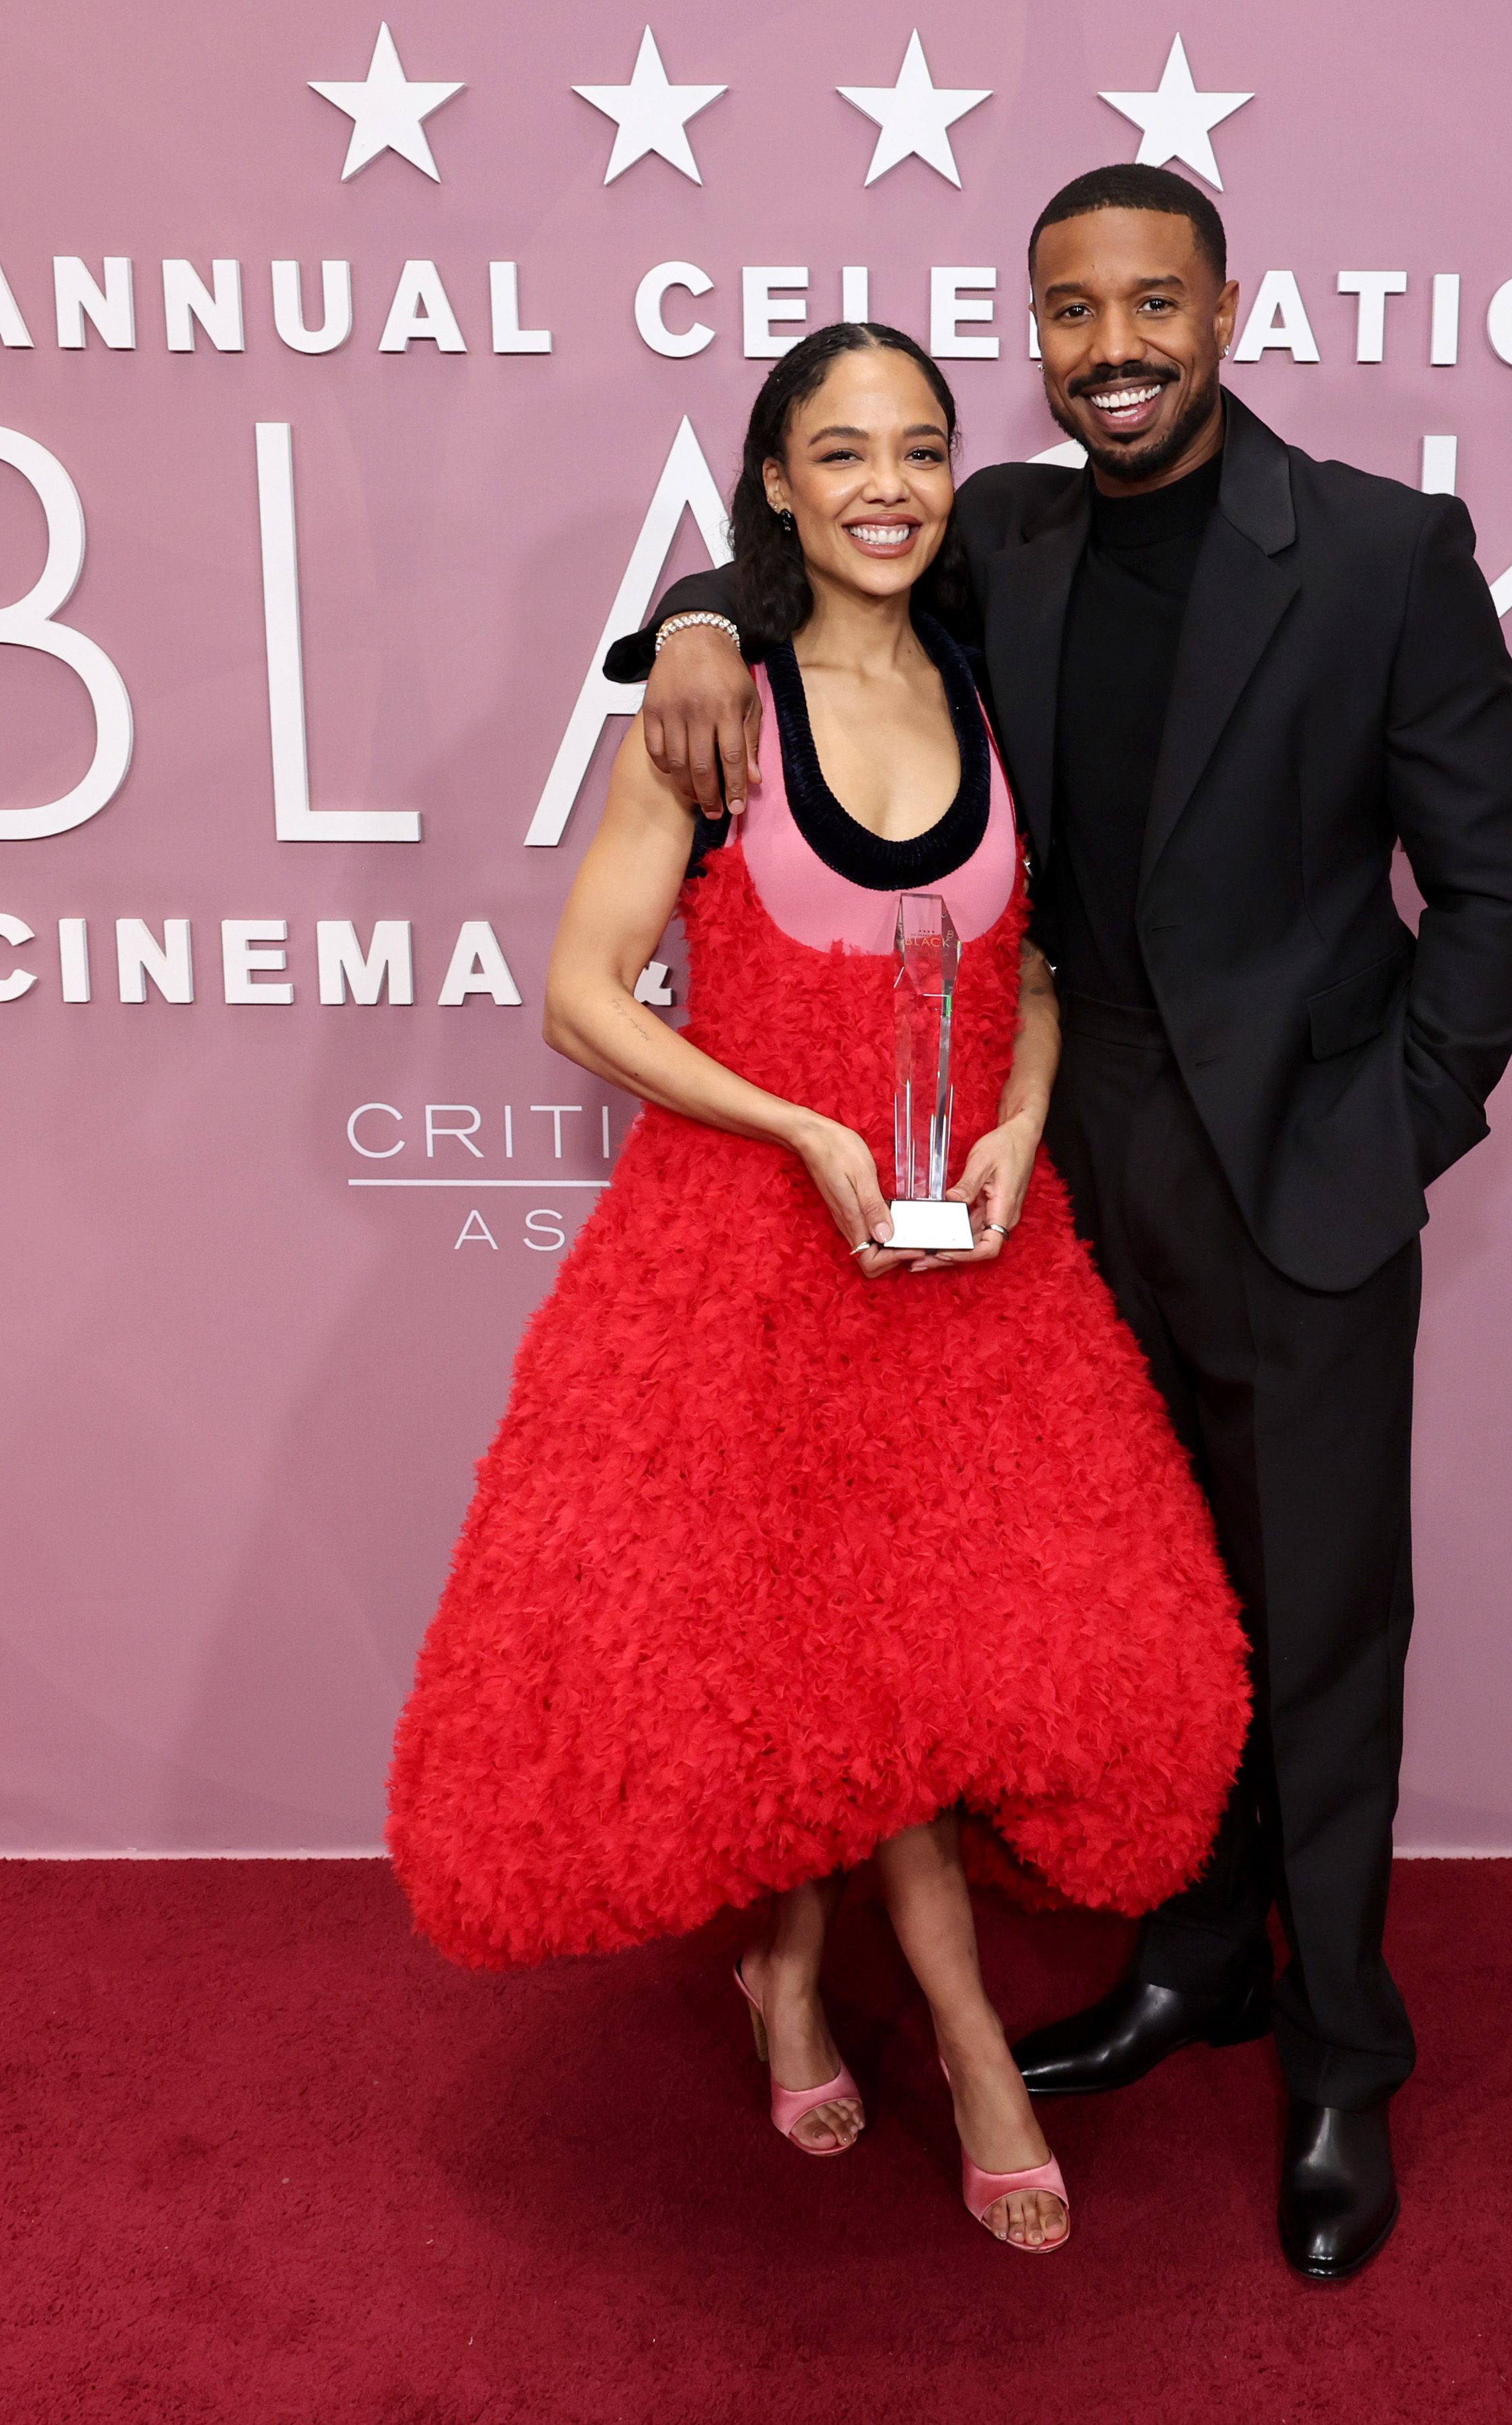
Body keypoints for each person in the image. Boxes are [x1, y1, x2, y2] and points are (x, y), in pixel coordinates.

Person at [614, 166, 1512, 2280]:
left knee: (1314, 1632)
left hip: (1290, 1171)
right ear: (1030, 330)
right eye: (1067, 311)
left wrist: (1386, 1133)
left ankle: (1337, 2055)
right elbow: (814, 558)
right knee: (1155, 1616)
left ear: (1227, 309)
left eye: (1151, 301)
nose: (1110, 345)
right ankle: (1197, 1961)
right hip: (1048, 1167)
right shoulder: (1011, 536)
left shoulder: (1381, 556)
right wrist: (690, 605)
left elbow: (1497, 882)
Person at [387, 321, 1251, 2258]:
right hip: (754, 1262)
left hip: (967, 1260)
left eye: (920, 447)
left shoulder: (988, 671)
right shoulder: (711, 711)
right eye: (839, 449)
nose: (886, 482)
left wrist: (1022, 1119)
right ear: (771, 483)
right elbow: (581, 992)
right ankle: (963, 2035)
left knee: (929, 1661)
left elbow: (1025, 961)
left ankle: (786, 1977)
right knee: (839, 1667)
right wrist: (802, 1130)